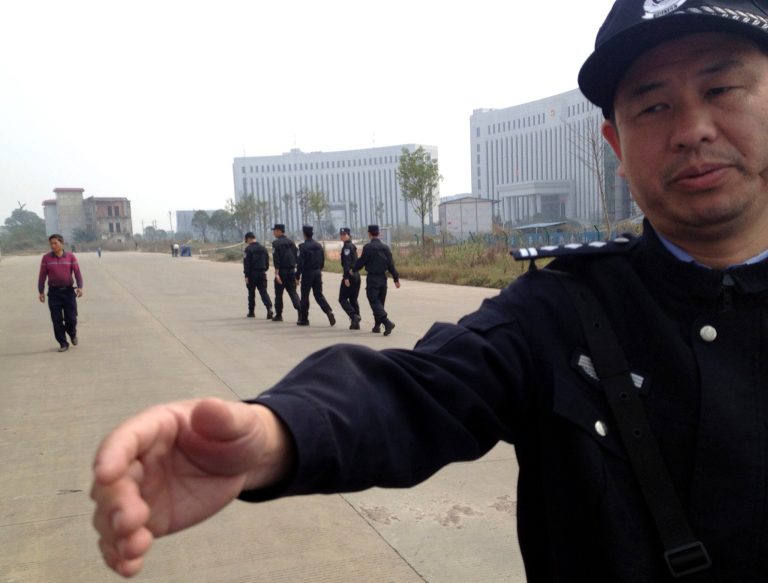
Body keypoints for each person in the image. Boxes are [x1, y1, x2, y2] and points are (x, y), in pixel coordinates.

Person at [90, 1, 768, 581]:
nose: (692, 130)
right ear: (616, 144)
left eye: (722, 89)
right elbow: (419, 387)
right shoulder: (565, 309)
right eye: (654, 105)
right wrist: (273, 433)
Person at [38, 234, 83, 352]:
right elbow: (42, 275)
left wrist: (80, 287)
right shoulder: (46, 258)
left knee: (71, 319)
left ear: (61, 243)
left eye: (55, 243)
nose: (53, 246)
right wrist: (41, 291)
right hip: (54, 294)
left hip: (68, 292)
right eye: (51, 244)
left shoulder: (70, 257)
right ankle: (63, 343)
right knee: (56, 320)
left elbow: (77, 273)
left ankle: (72, 334)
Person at [353, 224, 399, 335]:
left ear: (369, 234)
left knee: (374, 301)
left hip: (372, 278)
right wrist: (396, 279)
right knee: (380, 303)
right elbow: (391, 265)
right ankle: (377, 326)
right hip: (383, 278)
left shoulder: (368, 247)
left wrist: (353, 269)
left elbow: (361, 262)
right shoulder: (386, 248)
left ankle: (386, 322)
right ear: (379, 233)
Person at [295, 225, 335, 327]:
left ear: (304, 234)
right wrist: (318, 269)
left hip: (307, 273)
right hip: (317, 273)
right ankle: (328, 311)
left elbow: (300, 263)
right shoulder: (319, 246)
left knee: (305, 296)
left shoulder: (302, 247)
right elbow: (322, 261)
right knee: (318, 295)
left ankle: (304, 319)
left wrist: (297, 276)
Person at [270, 224, 301, 322]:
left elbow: (276, 259)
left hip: (281, 271)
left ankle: (279, 315)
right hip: (291, 271)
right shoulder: (291, 242)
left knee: (279, 294)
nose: (274, 232)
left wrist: (276, 273)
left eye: (274, 230)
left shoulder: (276, 243)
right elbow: (297, 256)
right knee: (293, 293)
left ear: (279, 231)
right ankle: (301, 313)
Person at [243, 232, 273, 320]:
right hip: (262, 273)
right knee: (263, 292)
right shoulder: (263, 248)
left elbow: (246, 264)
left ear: (248, 239)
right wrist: (264, 269)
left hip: (252, 274)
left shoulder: (248, 249)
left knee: (251, 293)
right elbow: (267, 262)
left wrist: (246, 275)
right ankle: (269, 308)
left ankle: (251, 312)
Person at [338, 227, 361, 330]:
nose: (342, 236)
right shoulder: (352, 246)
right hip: (356, 275)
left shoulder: (347, 247)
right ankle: (355, 323)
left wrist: (346, 277)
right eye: (341, 234)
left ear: (348, 235)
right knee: (353, 299)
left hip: (350, 276)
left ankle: (354, 316)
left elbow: (347, 264)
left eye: (344, 234)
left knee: (342, 299)